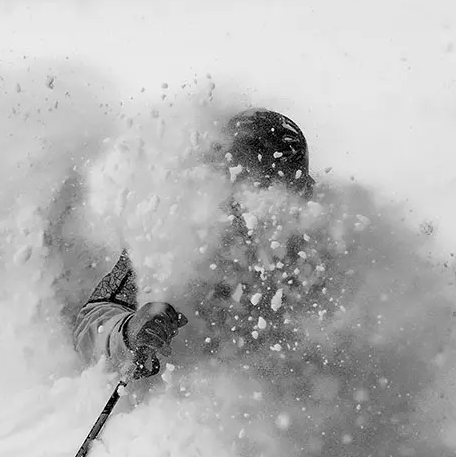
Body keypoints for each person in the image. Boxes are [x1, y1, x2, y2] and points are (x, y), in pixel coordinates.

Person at [73, 108, 315, 376]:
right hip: (187, 400)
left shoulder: (315, 249)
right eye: (252, 189)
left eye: (280, 192)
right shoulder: (177, 238)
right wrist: (129, 332)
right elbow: (91, 325)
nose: (264, 210)